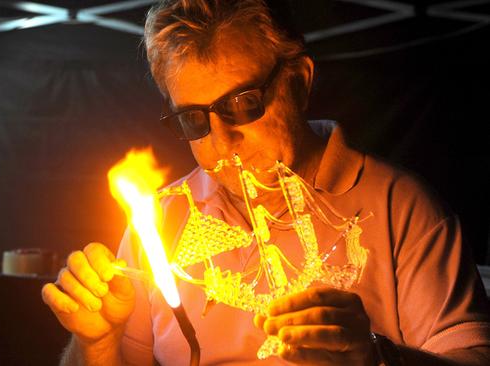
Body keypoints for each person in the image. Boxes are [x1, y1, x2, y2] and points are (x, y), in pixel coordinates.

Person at [41, 1, 490, 365]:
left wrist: (375, 357)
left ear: (299, 81)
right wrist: (98, 342)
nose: (223, 144)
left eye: (243, 103)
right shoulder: (160, 221)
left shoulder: (400, 209)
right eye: (194, 119)